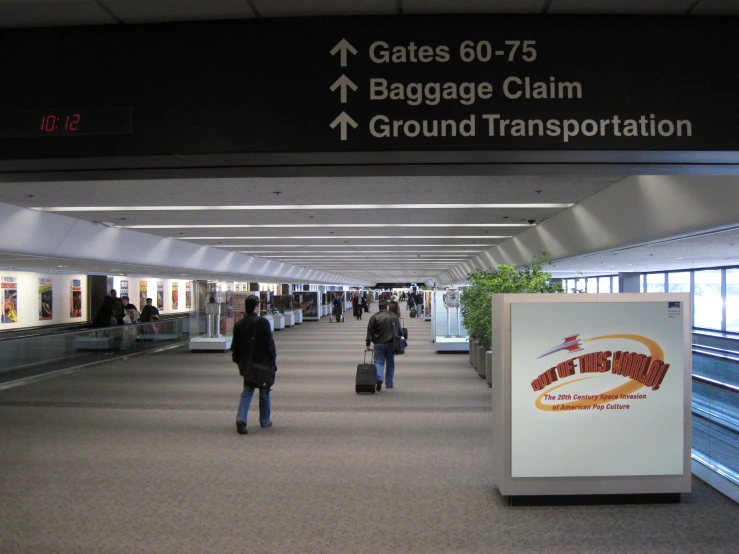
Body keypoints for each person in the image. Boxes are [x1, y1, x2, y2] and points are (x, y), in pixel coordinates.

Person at [231, 295, 277, 434]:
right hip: (262, 363)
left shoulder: (239, 324)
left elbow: (235, 348)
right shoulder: (263, 322)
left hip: (247, 364)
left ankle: (241, 418)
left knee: (247, 390)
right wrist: (272, 362)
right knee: (264, 392)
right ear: (257, 307)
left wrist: (240, 363)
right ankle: (264, 420)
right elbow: (270, 345)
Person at [365, 299, 399, 391]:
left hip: (378, 343)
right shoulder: (394, 316)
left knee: (379, 362)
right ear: (387, 306)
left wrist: (368, 343)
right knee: (390, 363)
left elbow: (370, 331)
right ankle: (389, 383)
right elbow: (399, 330)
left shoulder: (374, 317)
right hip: (391, 343)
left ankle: (379, 378)